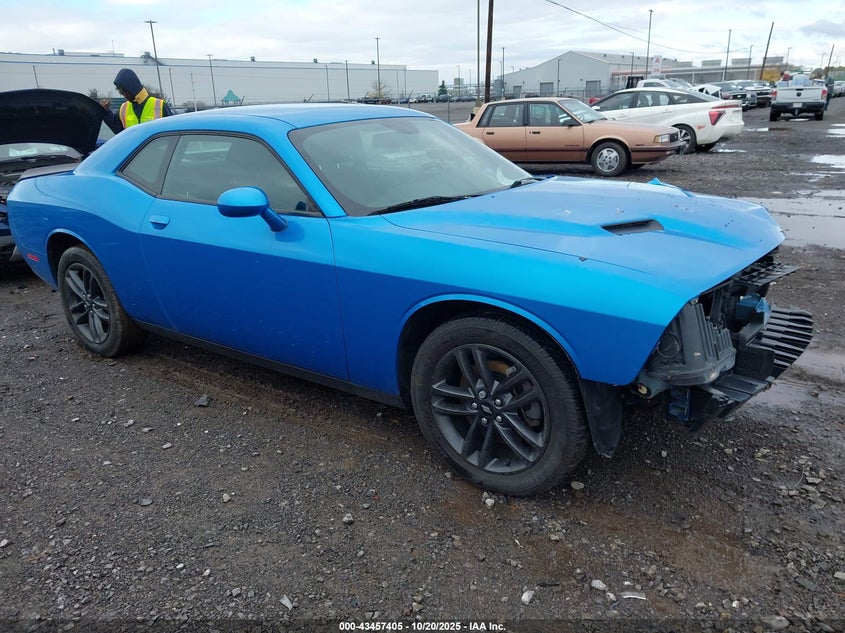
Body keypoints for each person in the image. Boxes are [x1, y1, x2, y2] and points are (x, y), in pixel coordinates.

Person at [101, 68, 173, 132]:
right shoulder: (124, 108)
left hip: (157, 147)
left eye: (124, 92)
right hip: (133, 147)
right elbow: (118, 130)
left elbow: (173, 131)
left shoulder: (159, 105)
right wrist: (106, 112)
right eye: (121, 93)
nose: (124, 96)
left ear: (131, 88)